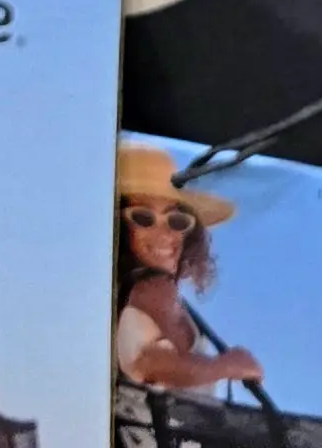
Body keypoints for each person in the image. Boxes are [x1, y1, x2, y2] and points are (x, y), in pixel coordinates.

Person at [113, 145, 264, 408]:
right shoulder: (153, 286)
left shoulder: (106, 295)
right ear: (119, 224)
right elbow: (147, 362)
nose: (164, 234)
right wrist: (226, 366)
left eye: (177, 221)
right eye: (143, 217)